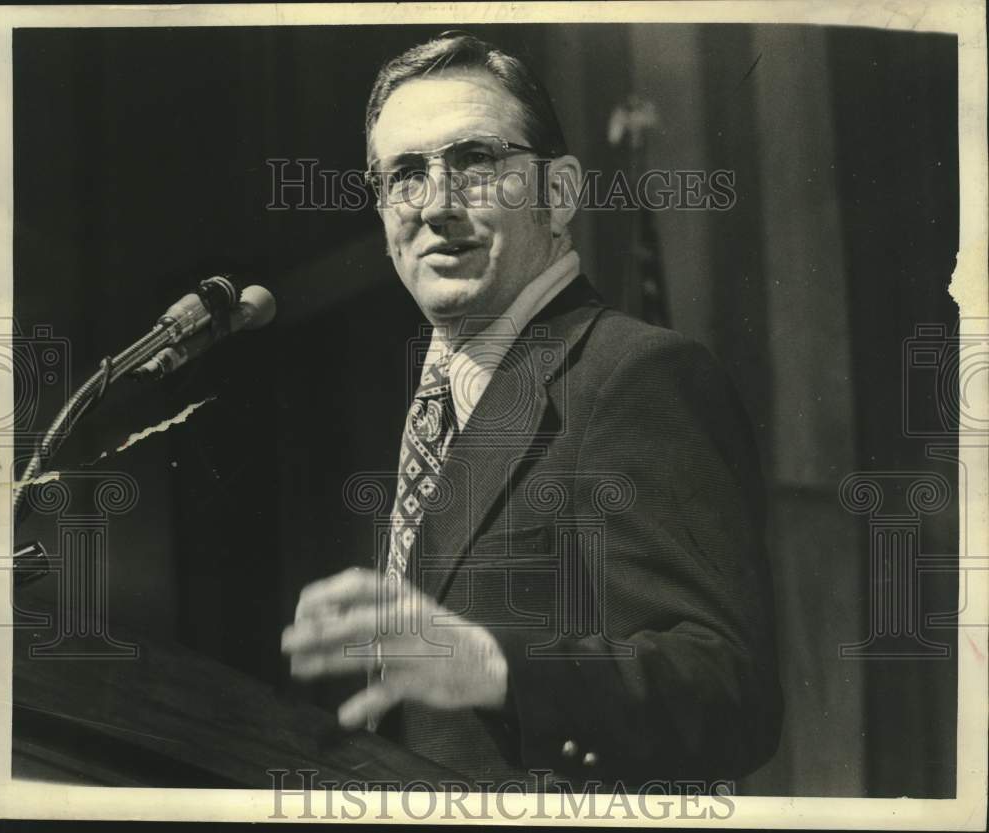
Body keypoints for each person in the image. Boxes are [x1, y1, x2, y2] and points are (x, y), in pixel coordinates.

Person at [281, 32, 782, 789]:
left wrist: (492, 666)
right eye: (405, 175)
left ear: (560, 193)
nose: (437, 204)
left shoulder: (636, 374)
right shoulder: (438, 399)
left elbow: (729, 693)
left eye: (475, 163)